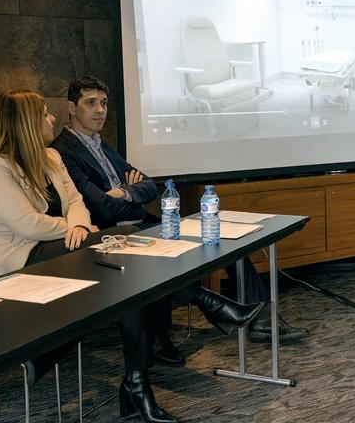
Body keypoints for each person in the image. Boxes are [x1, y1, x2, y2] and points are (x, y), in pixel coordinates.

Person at [51, 76, 306, 362]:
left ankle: (261, 319)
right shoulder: (62, 151)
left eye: (104, 103)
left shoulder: (101, 144)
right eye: (91, 103)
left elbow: (149, 186)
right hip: (114, 234)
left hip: (142, 223)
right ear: (71, 108)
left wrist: (122, 192)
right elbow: (100, 207)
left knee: (222, 237)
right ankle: (164, 335)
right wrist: (129, 194)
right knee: (165, 257)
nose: (100, 110)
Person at [0, 90, 176, 422]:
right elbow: (27, 223)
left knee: (129, 280)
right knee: (127, 244)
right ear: (25, 123)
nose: (52, 119)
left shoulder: (51, 157)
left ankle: (136, 384)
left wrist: (81, 226)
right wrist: (73, 228)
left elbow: (76, 202)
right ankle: (135, 387)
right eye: (44, 114)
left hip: (66, 246)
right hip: (19, 259)